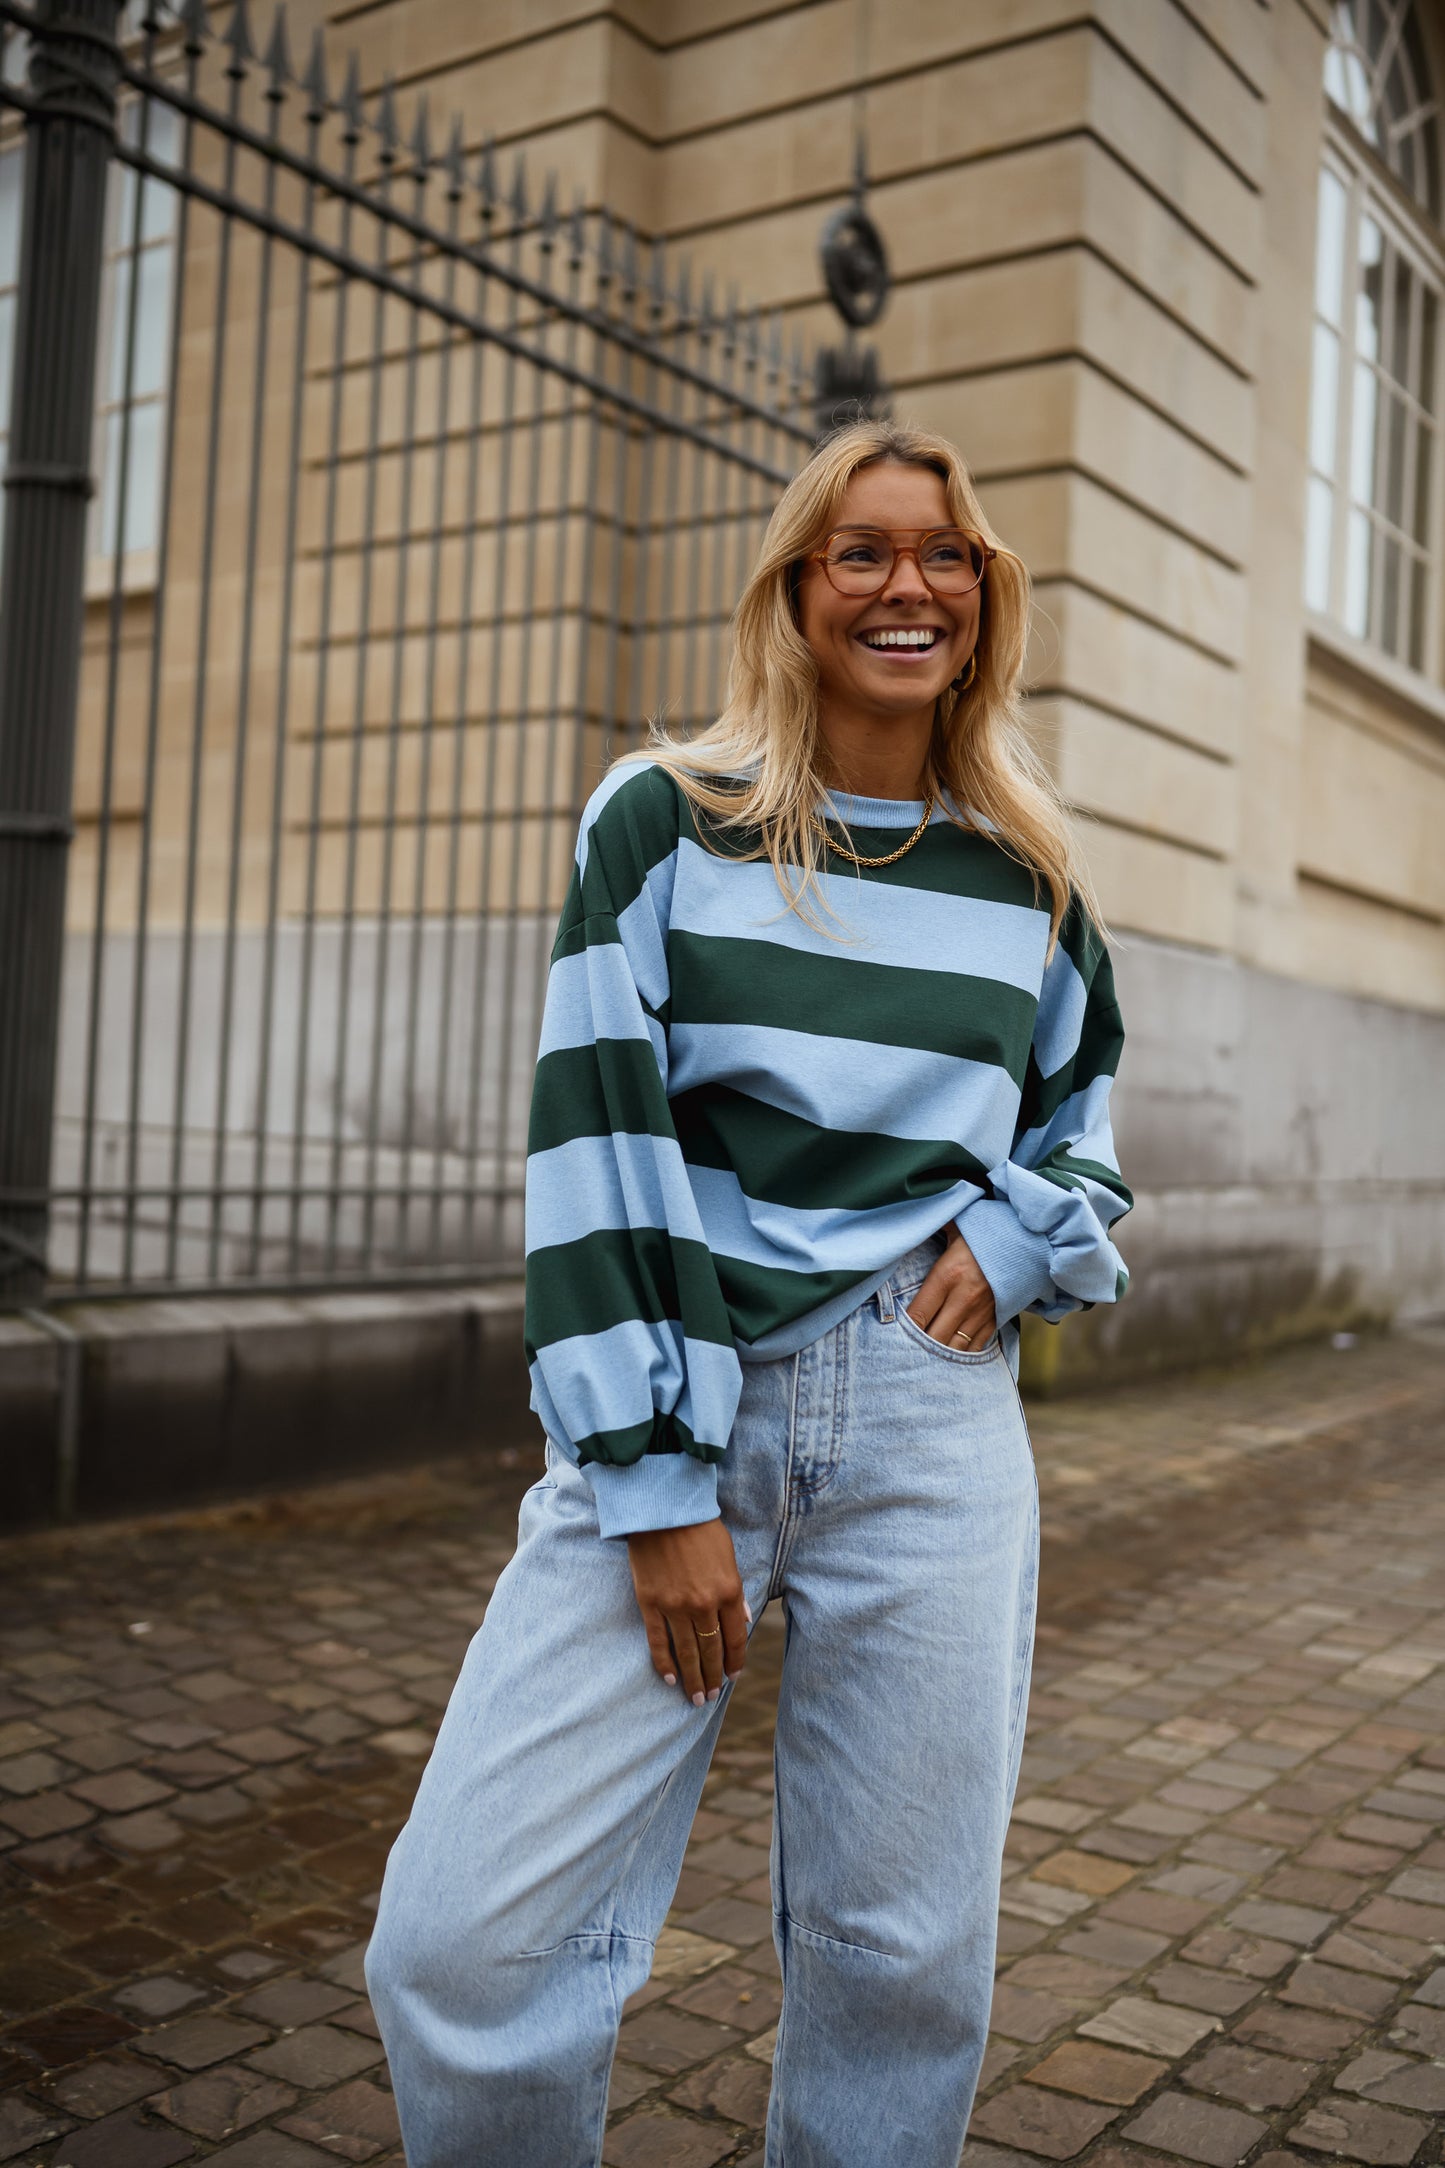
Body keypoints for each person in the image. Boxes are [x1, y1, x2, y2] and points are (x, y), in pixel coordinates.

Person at [365, 419, 1132, 2168]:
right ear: (794, 591)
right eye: (858, 552)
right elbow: (596, 1138)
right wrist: (649, 1478)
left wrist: (1018, 1243)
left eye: (942, 555)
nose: (904, 586)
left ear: (983, 597)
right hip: (687, 1408)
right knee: (463, 1945)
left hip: (932, 1419)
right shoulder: (667, 821)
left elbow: (1086, 1129)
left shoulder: (1026, 868)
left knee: (900, 1958)